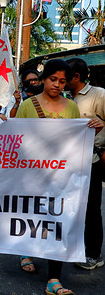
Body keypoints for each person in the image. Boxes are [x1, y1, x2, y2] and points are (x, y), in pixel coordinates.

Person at [13, 59, 102, 295]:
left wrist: (93, 128)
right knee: (33, 216)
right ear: (44, 79)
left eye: (62, 81)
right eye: (53, 79)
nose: (57, 85)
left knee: (57, 222)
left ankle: (54, 279)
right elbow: (17, 139)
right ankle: (27, 250)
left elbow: (76, 140)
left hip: (62, 177)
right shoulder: (27, 105)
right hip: (33, 176)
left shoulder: (72, 107)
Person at [66, 58, 104, 270]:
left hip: (91, 161)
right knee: (70, 206)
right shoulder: (64, 98)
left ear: (76, 77)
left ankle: (93, 254)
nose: (61, 82)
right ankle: (74, 248)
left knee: (91, 209)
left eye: (65, 78)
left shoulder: (99, 95)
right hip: (67, 163)